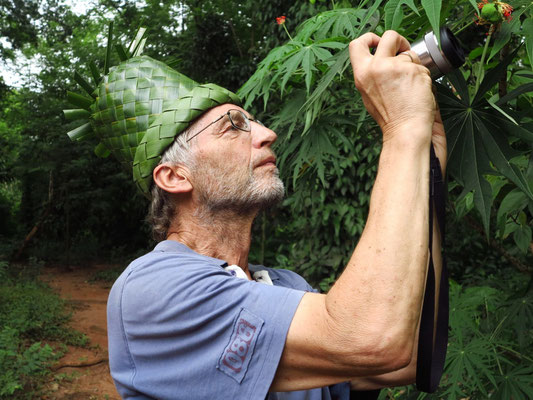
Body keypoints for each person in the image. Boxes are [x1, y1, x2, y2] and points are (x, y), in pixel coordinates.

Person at [67, 29, 445, 400]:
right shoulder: (153, 290)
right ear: (175, 176)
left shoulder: (284, 285)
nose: (267, 133)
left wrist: (428, 156)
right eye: (233, 127)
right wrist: (402, 129)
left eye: (254, 121)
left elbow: (408, 356)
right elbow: (370, 338)